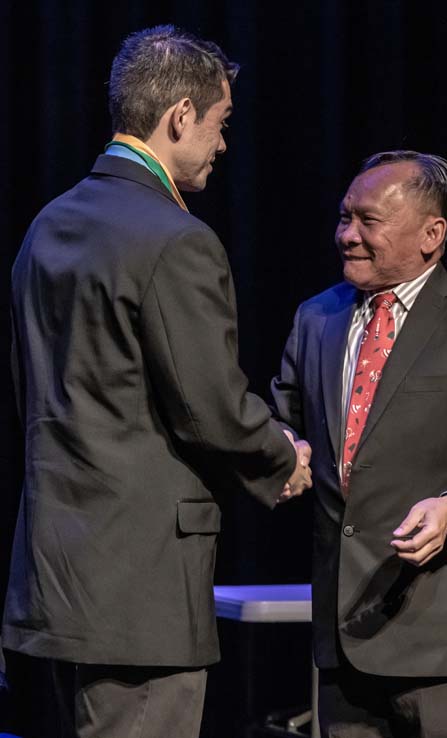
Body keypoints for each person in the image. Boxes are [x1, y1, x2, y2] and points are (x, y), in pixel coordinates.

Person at [2, 25, 311, 738]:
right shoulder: (175, 238)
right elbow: (210, 407)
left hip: (53, 580)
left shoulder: (47, 227)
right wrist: (281, 459)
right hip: (140, 590)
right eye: (219, 123)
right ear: (179, 117)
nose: (223, 144)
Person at [271, 150, 447, 738]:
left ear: (432, 234)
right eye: (344, 217)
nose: (347, 235)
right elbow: (283, 422)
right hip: (343, 639)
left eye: (368, 221)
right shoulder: (315, 317)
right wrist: (283, 447)